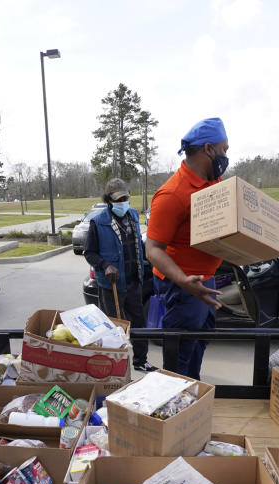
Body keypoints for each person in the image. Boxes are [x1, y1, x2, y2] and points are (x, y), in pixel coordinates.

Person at [145, 117, 228, 380]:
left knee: (199, 343)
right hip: (183, 286)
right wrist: (184, 281)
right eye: (224, 150)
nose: (226, 156)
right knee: (180, 354)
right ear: (208, 149)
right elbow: (153, 250)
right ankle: (174, 409)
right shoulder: (172, 194)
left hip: (204, 281)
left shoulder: (213, 182)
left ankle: (193, 393)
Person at [83, 178, 155, 373]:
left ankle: (140, 360)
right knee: (113, 327)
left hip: (133, 281)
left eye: (125, 197)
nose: (123, 202)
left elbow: (138, 246)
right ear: (109, 201)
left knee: (139, 323)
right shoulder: (98, 222)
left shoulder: (132, 215)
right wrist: (105, 265)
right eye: (118, 199)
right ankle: (115, 365)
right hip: (111, 285)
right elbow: (89, 253)